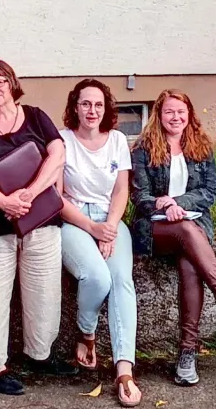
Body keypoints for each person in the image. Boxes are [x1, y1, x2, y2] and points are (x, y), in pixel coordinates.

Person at [0, 59, 78, 394]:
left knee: (44, 293)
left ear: (12, 84)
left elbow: (57, 154)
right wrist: (3, 201)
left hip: (39, 221)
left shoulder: (36, 116)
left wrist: (30, 193)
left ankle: (40, 354)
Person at [131, 90, 216, 386]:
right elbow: (139, 195)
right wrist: (163, 205)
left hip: (193, 224)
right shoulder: (143, 148)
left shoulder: (200, 147)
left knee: (190, 262)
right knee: (187, 232)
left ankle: (187, 352)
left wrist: (178, 204)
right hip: (154, 228)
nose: (176, 117)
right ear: (159, 116)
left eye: (181, 112)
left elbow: (210, 192)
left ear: (190, 115)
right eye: (169, 112)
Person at [58, 80, 140, 407]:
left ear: (106, 109)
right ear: (75, 107)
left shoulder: (118, 140)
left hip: (110, 218)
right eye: (85, 104)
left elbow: (122, 190)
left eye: (98, 105)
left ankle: (124, 369)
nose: (92, 111)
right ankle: (86, 333)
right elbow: (57, 195)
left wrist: (109, 227)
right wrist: (91, 227)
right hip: (74, 218)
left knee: (121, 280)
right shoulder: (62, 140)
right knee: (97, 277)